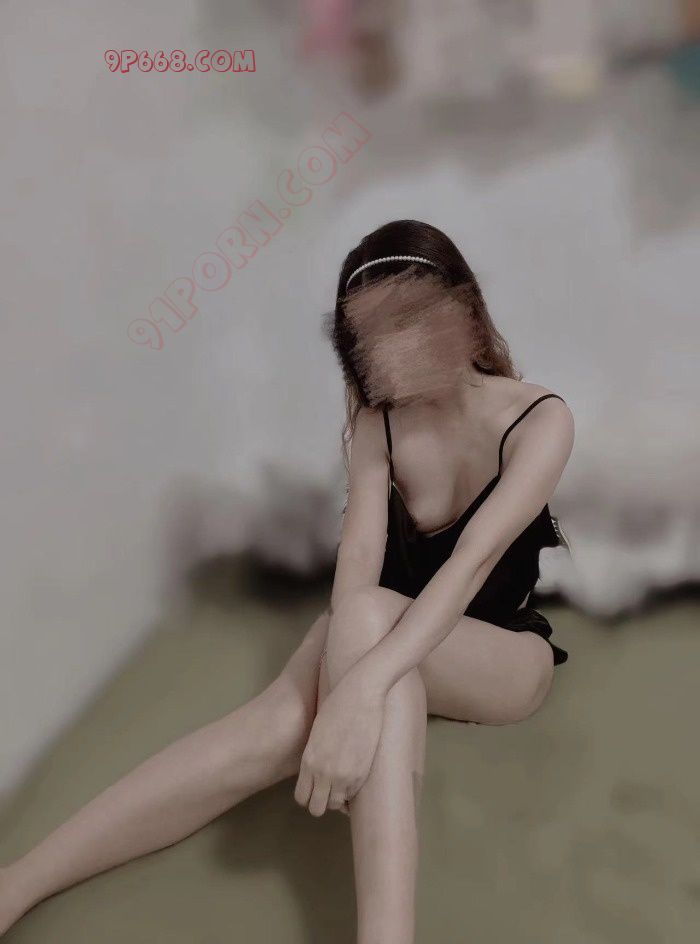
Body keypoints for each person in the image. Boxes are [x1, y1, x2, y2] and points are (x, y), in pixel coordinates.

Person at [0, 219, 574, 943]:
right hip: (383, 632)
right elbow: (355, 572)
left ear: (465, 309)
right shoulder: (380, 424)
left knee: (366, 640)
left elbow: (466, 573)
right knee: (276, 723)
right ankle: (18, 882)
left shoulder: (541, 420)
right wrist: (357, 687)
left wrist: (357, 690)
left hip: (499, 655)